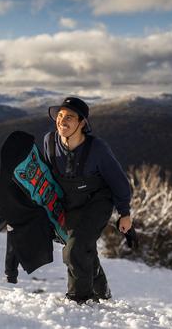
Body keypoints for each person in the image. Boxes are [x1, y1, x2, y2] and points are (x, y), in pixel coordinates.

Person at [44, 96, 132, 304]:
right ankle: (102, 290)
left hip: (97, 202)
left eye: (70, 117)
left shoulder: (97, 148)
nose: (62, 121)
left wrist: (124, 213)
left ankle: (80, 299)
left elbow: (119, 181)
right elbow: (45, 175)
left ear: (82, 123)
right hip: (69, 204)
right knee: (84, 248)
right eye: (60, 116)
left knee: (74, 250)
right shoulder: (49, 141)